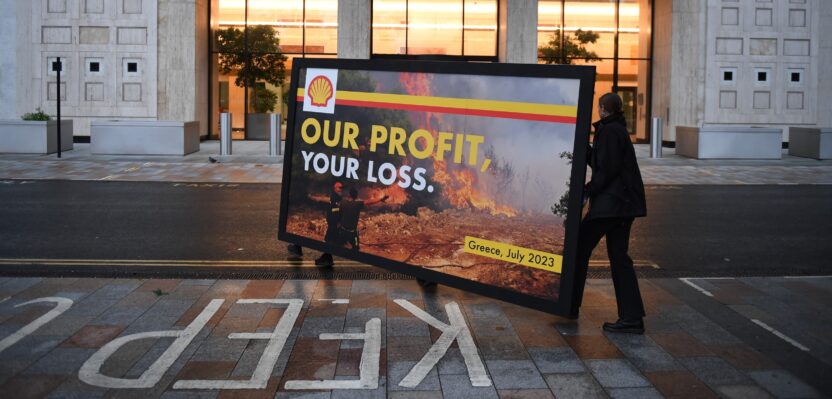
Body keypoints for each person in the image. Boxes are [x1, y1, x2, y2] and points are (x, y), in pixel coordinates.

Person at [572, 92, 647, 334]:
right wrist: (584, 146)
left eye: (598, 107)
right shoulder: (616, 130)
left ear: (603, 108)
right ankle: (632, 318)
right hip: (621, 206)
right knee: (619, 259)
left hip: (611, 206)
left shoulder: (610, 131)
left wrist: (588, 189)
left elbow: (608, 170)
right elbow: (602, 162)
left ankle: (569, 303)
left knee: (579, 246)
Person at [287, 181, 343, 267]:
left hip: (334, 222)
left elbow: (335, 208)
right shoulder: (335, 196)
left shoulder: (337, 197)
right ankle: (297, 246)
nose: (341, 189)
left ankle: (327, 258)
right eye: (339, 187)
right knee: (330, 238)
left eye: (341, 188)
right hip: (333, 221)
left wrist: (338, 221)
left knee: (330, 239)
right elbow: (328, 201)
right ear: (335, 188)